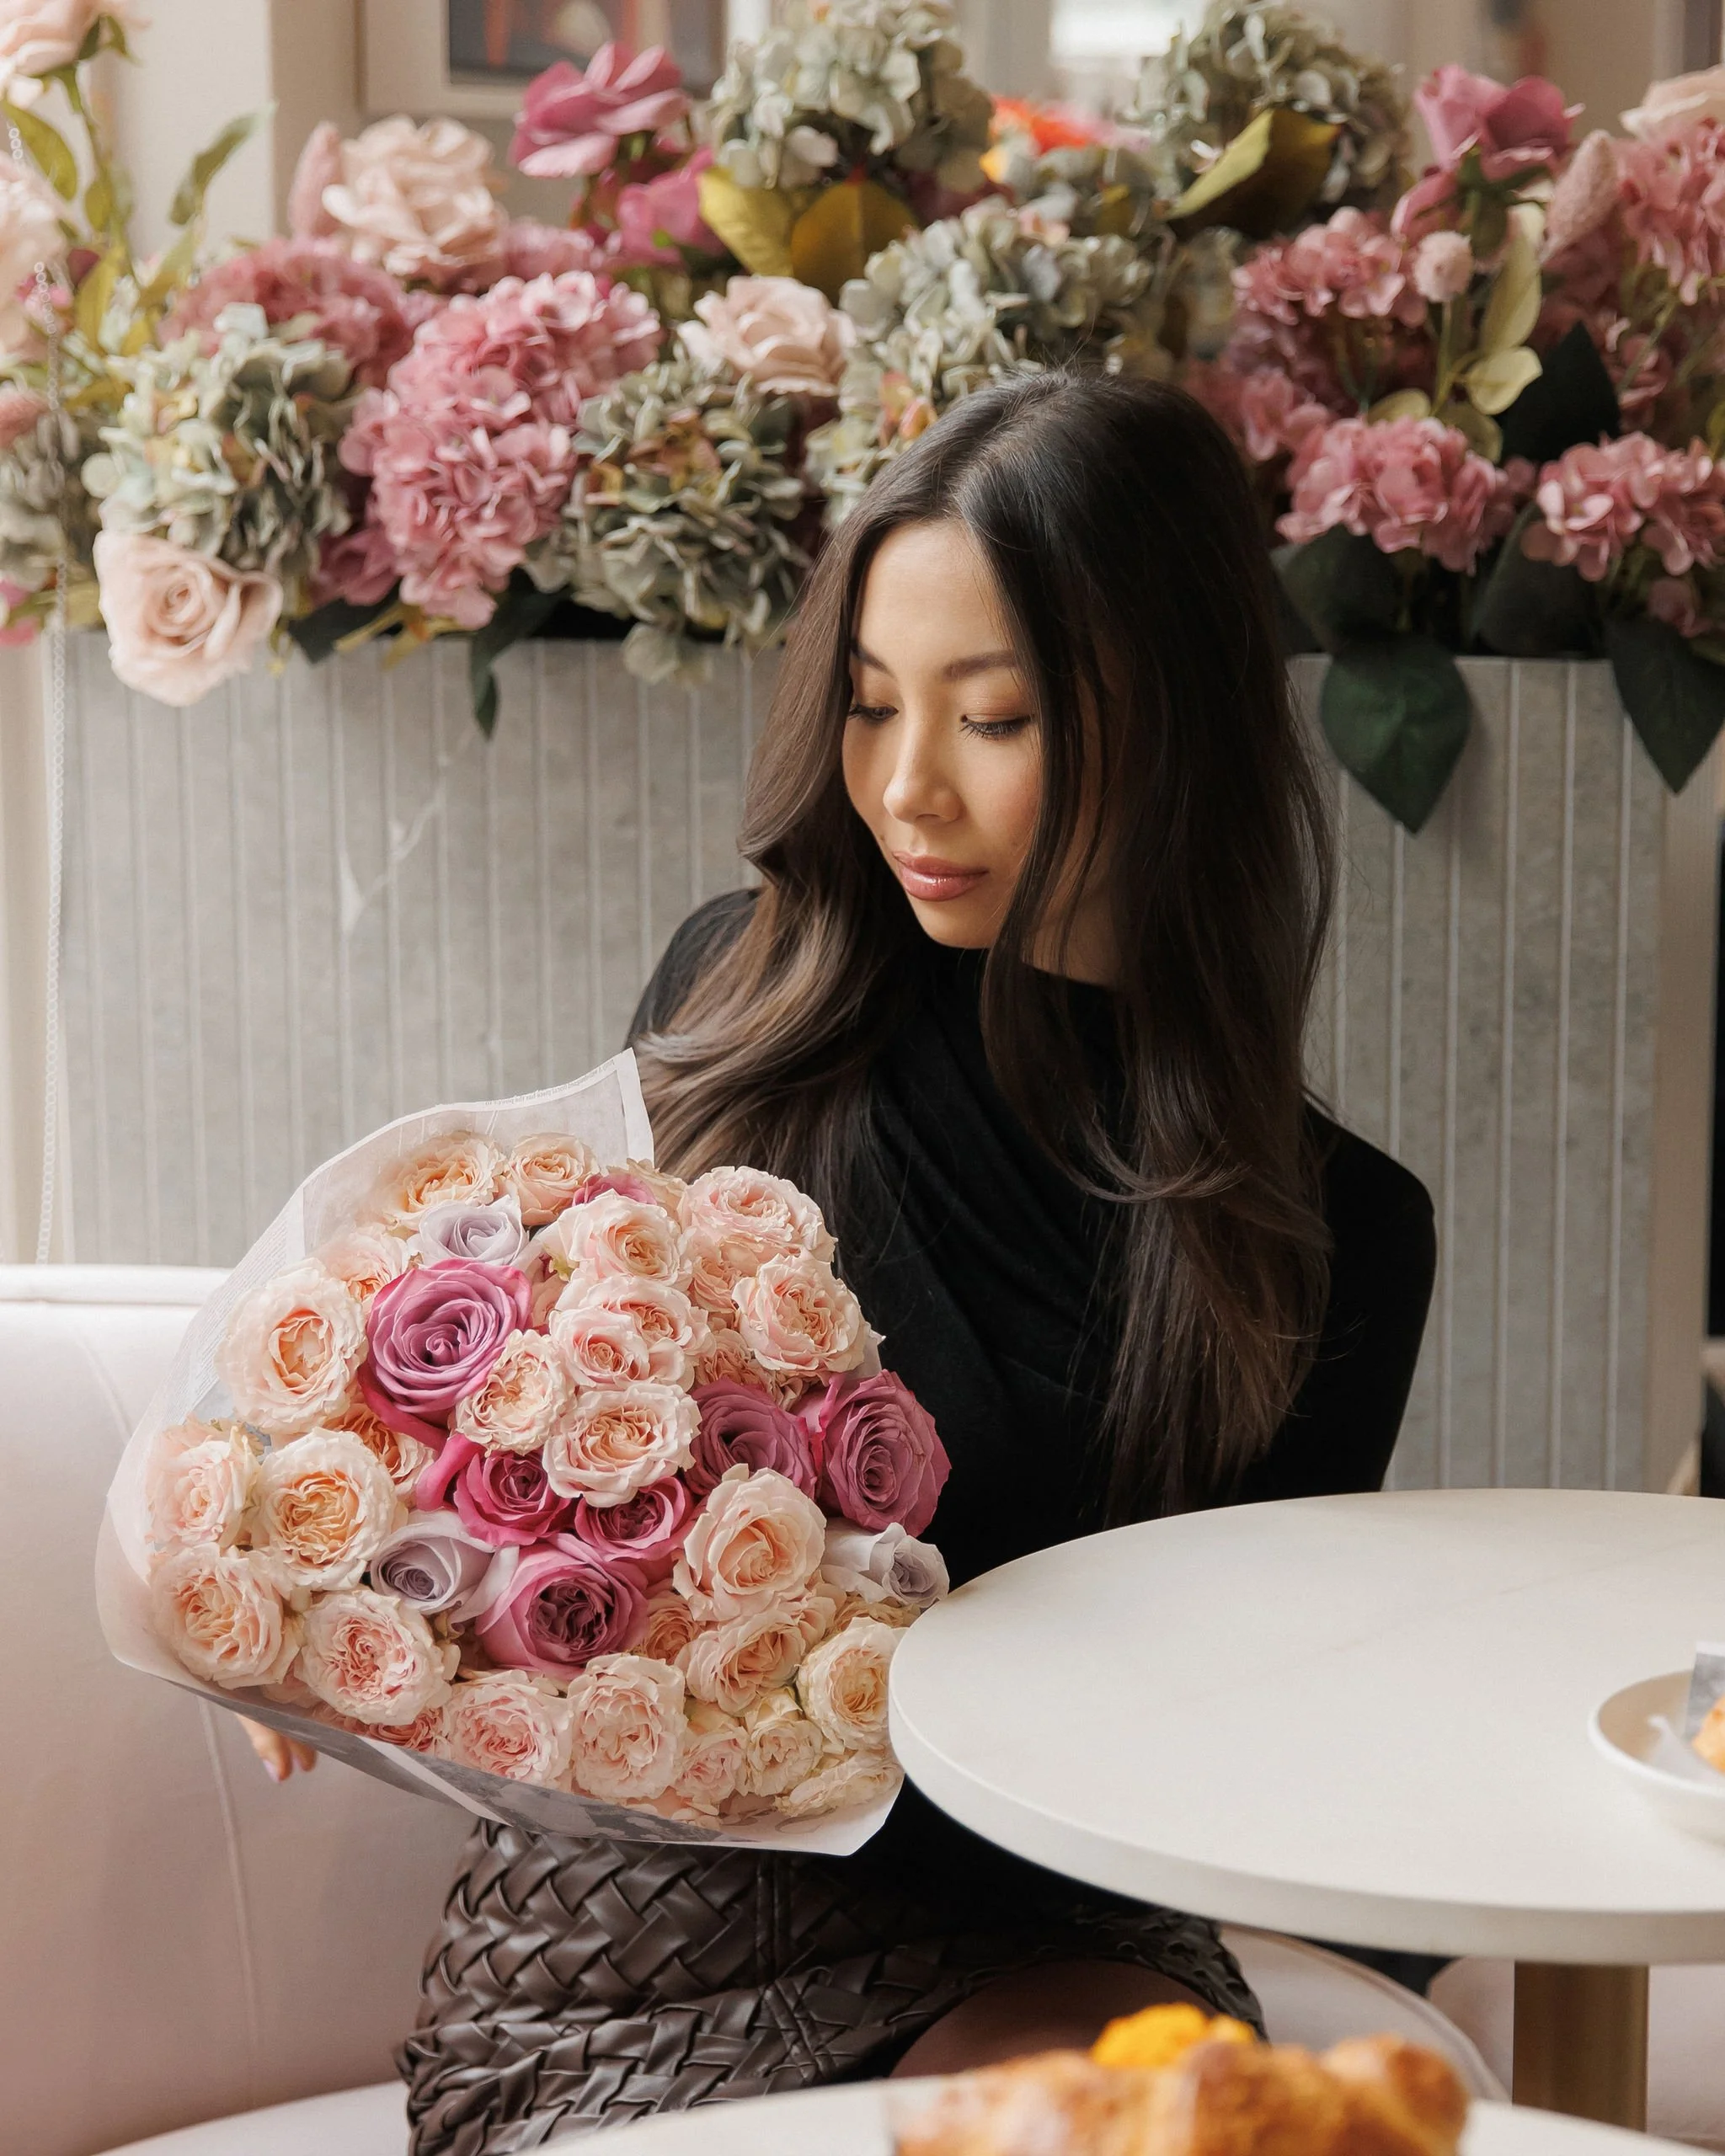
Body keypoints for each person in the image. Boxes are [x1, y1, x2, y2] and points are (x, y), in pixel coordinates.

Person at [251, 371, 1436, 2154]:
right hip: (658, 1899)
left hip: (1039, 1903)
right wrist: (326, 1589)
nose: (902, 787)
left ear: (1172, 721)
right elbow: (531, 1411)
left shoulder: (1330, 1237)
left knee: (1132, 2124)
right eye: (871, 705)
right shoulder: (743, 1007)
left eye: (998, 716)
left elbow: (1248, 1741)